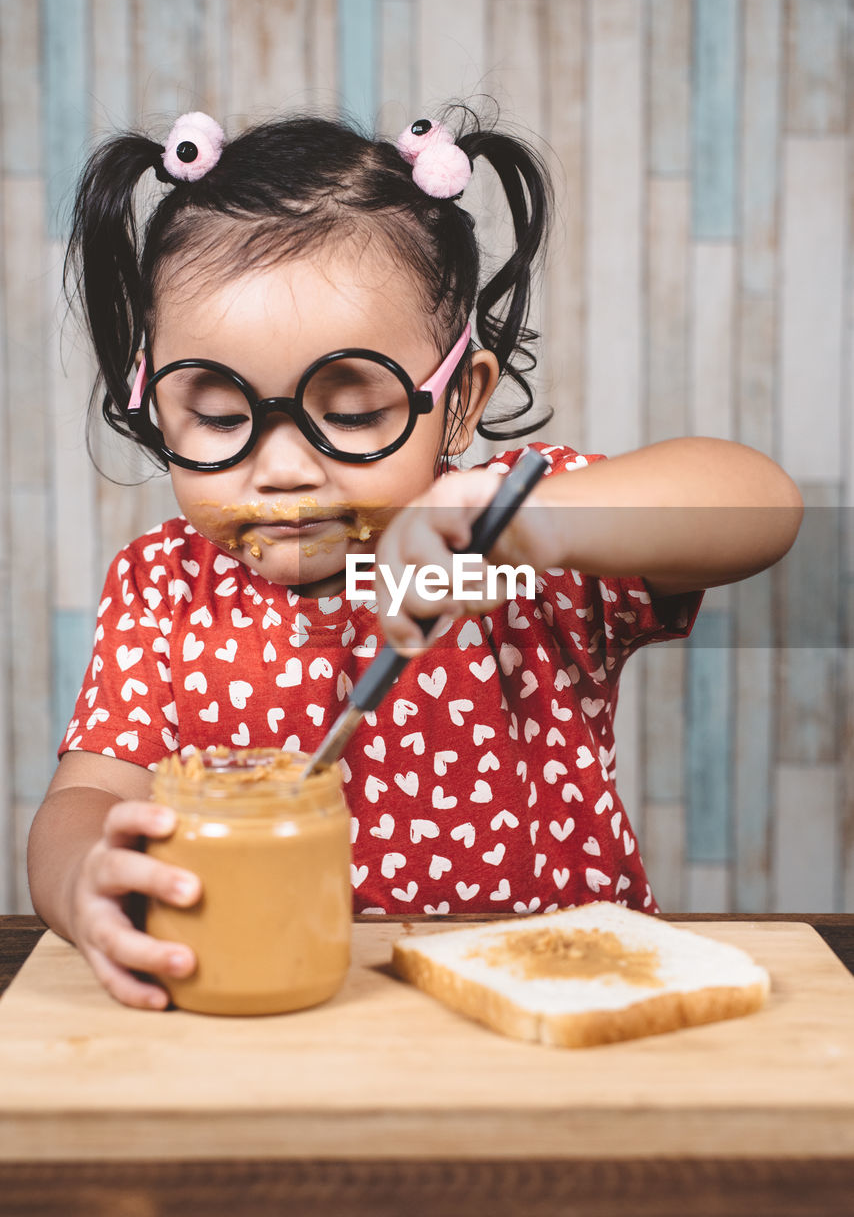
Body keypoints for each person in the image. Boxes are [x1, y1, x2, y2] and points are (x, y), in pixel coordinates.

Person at [27, 106, 802, 1010]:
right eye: (221, 415)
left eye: (351, 413)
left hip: (558, 1003)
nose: (280, 468)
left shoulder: (523, 551)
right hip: (267, 1017)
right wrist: (85, 879)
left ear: (459, 400)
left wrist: (540, 522)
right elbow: (86, 796)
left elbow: (762, 506)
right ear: (156, 403)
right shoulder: (165, 588)